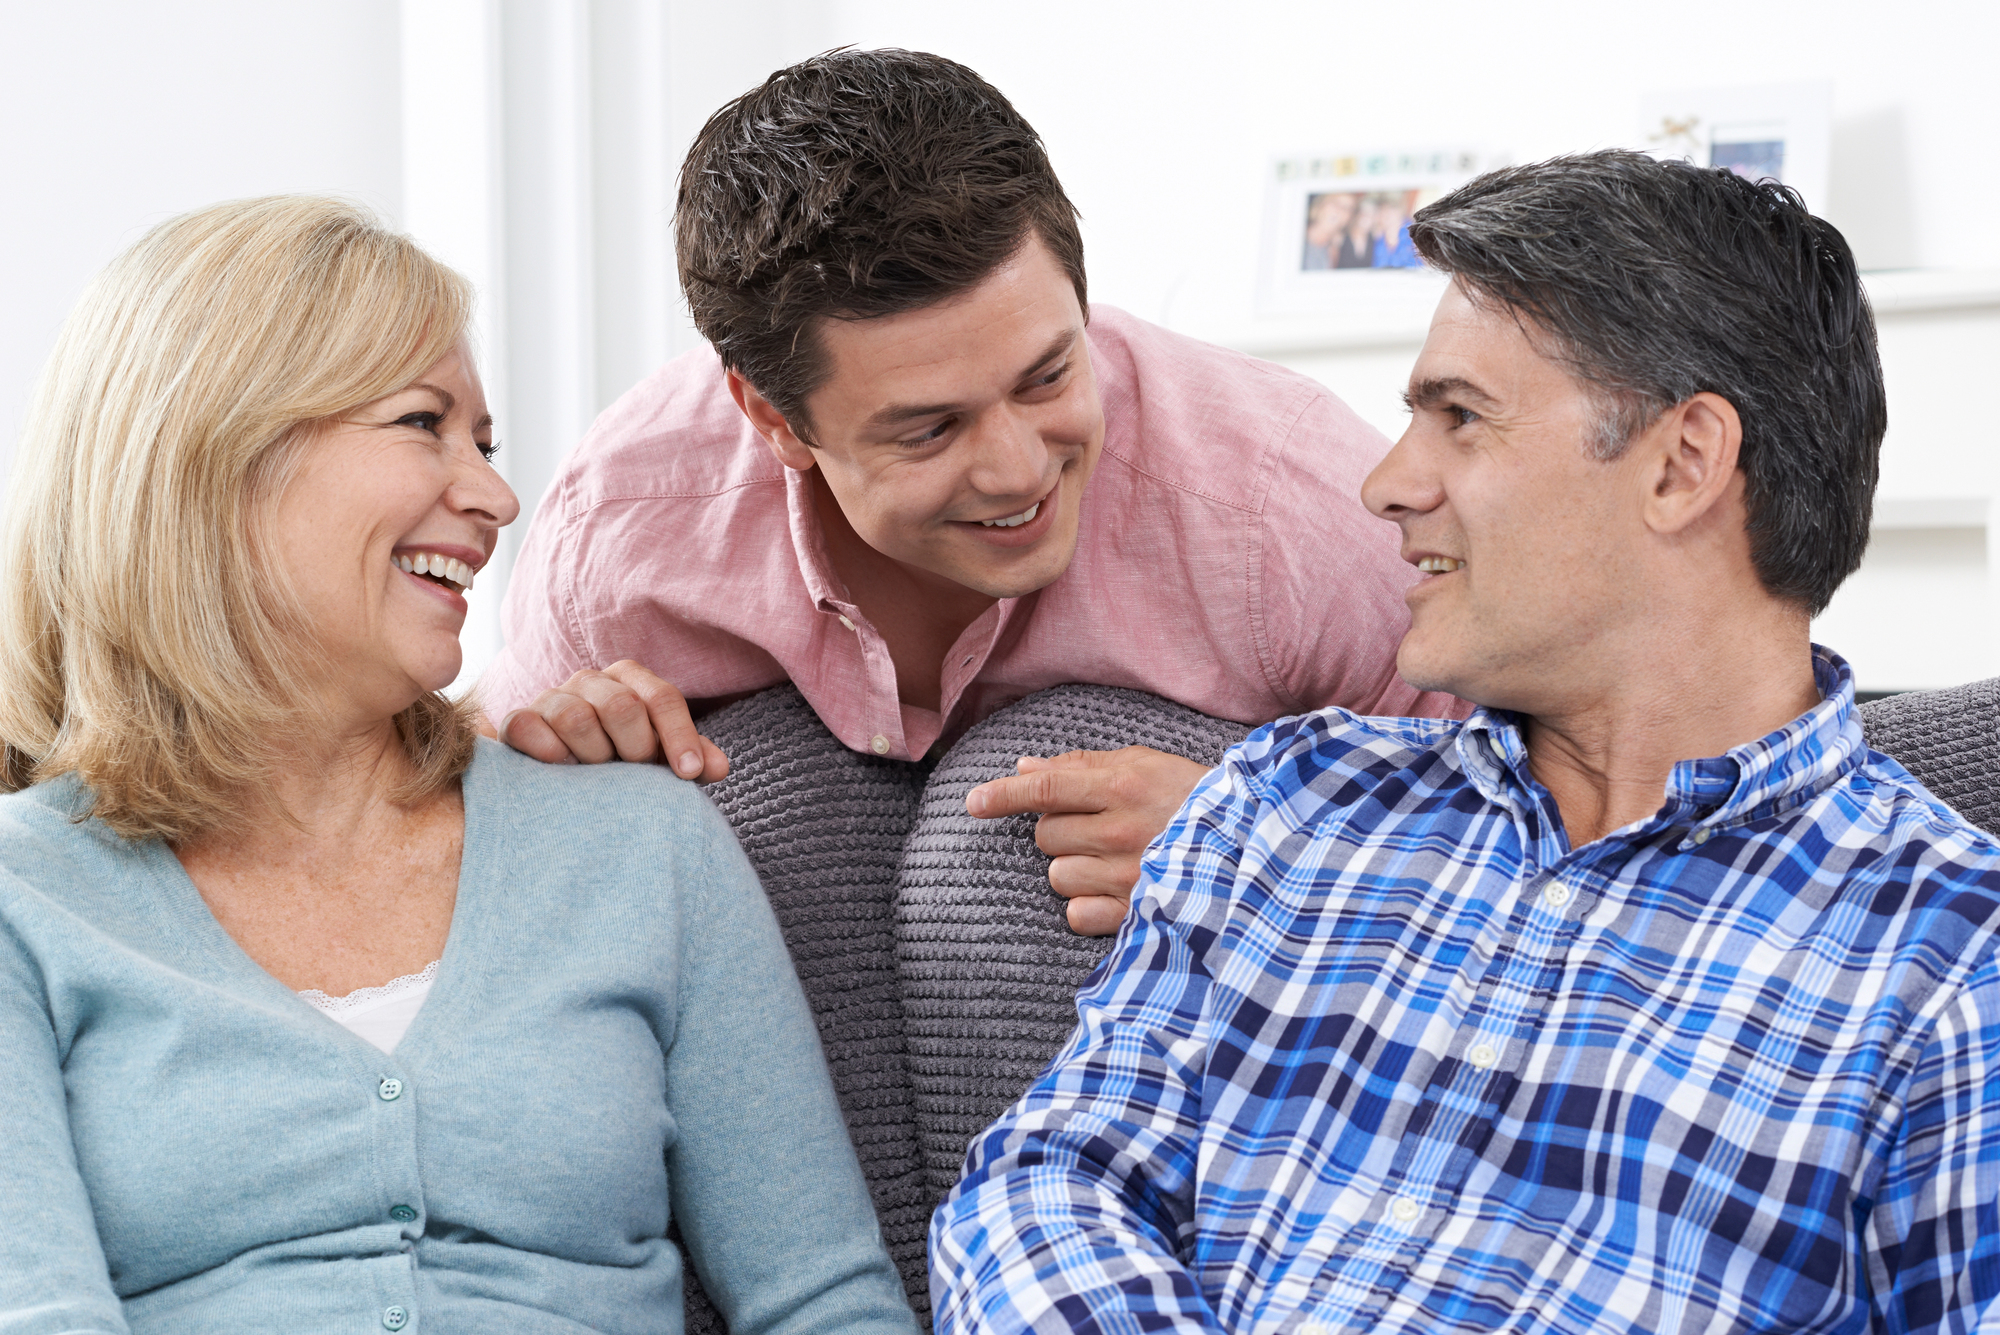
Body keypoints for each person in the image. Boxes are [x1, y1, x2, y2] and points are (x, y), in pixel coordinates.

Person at [931, 150, 2000, 1335]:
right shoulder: (1288, 801)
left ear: (1682, 463)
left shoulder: (1952, 971)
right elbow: (1040, 1188)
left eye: (1458, 417)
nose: (1384, 483)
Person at [0, 197, 915, 1334]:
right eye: (421, 423)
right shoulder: (24, 897)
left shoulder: (637, 841)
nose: (495, 496)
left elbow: (820, 1300)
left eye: (483, 443)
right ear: (215, 451)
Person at [479, 49, 1461, 936]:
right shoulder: (627, 528)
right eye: (929, 429)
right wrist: (546, 780)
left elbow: (1569, 828)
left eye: (1046, 377)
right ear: (774, 419)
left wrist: (1273, 845)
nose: (1018, 469)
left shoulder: (1286, 505)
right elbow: (460, 820)